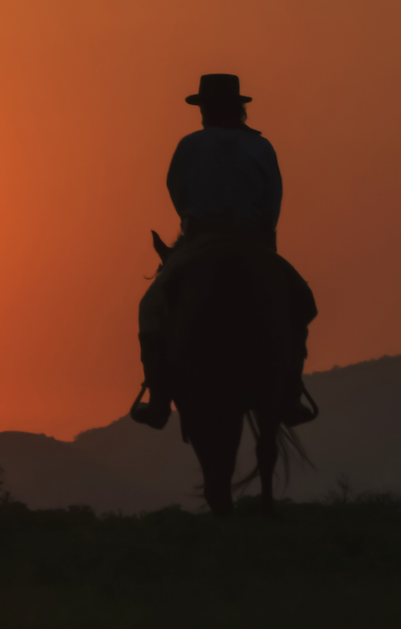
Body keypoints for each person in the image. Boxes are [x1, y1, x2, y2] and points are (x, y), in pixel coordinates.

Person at [131, 74, 317, 429]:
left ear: (204, 109)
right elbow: (272, 201)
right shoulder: (261, 148)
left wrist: (196, 222)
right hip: (253, 241)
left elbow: (178, 193)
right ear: (239, 108)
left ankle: (157, 399)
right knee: (301, 301)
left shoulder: (190, 145)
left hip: (201, 238)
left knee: (151, 308)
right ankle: (291, 392)